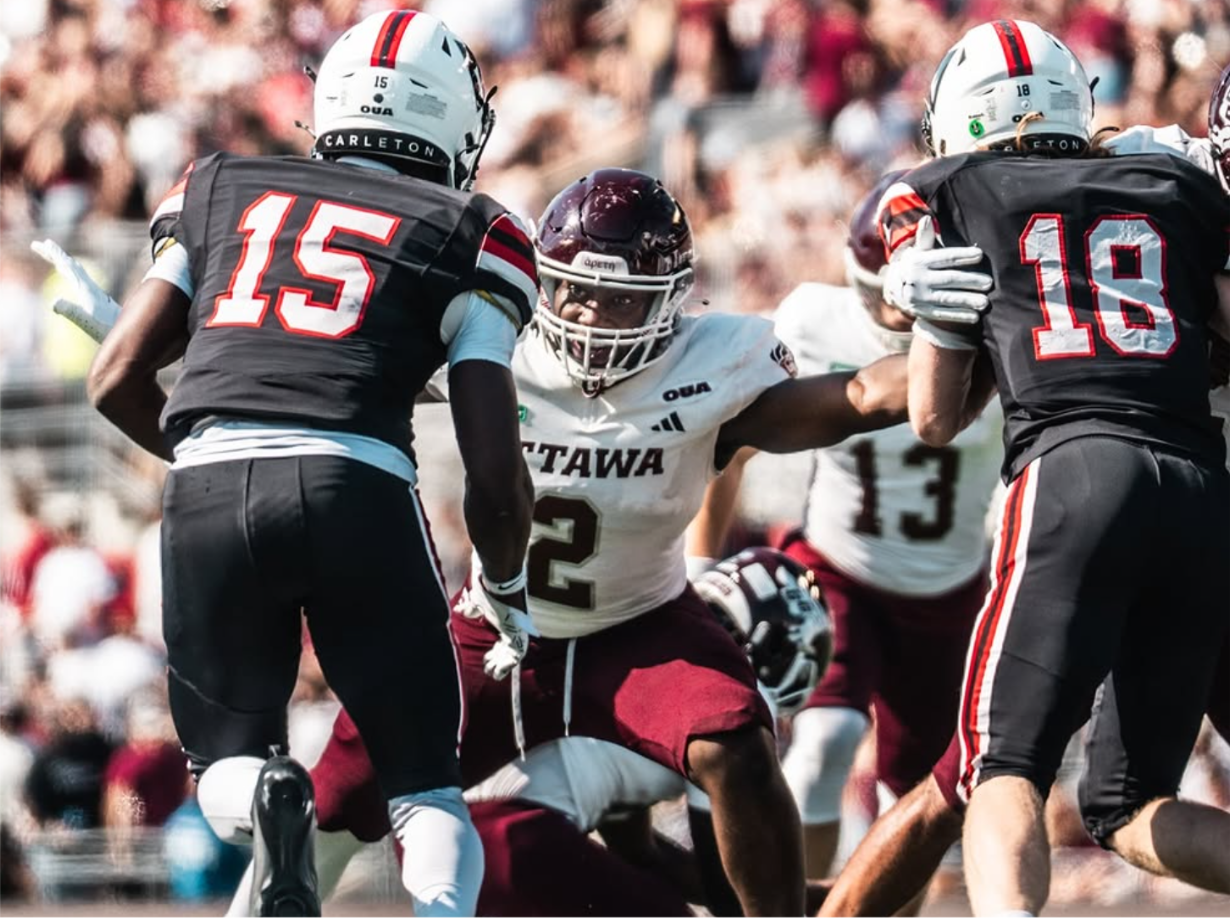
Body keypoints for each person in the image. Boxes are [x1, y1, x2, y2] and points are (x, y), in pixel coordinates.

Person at [44, 165, 906, 916]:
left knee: (735, 743)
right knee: (338, 805)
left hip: (638, 624)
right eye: (576, 290)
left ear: (672, 298)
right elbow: (302, 363)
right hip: (491, 625)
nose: (592, 313)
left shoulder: (712, 364)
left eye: (620, 298)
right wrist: (151, 338)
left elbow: (858, 399)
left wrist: (955, 344)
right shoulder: (500, 339)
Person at [46, 10, 537, 917]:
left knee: (225, 771)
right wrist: (505, 586)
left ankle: (274, 798)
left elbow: (115, 378)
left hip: (208, 476)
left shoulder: (218, 182)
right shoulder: (477, 229)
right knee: (426, 790)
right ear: (451, 118)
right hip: (356, 483)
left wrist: (217, 460)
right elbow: (493, 475)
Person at [820, 65, 1232, 918]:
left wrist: (928, 291)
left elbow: (933, 416)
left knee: (999, 765)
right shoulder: (1180, 182)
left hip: (1076, 473)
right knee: (1123, 803)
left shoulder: (959, 188)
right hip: (1203, 489)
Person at [225, 547, 833, 917]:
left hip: (448, 827)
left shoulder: (641, 646)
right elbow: (732, 891)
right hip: (516, 836)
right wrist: (832, 897)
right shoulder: (711, 705)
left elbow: (639, 851)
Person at [686, 172, 1003, 882]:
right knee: (825, 740)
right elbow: (728, 444)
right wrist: (699, 569)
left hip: (948, 588)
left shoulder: (1000, 341)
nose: (889, 315)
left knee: (921, 805)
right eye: (878, 295)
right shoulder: (814, 320)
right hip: (836, 569)